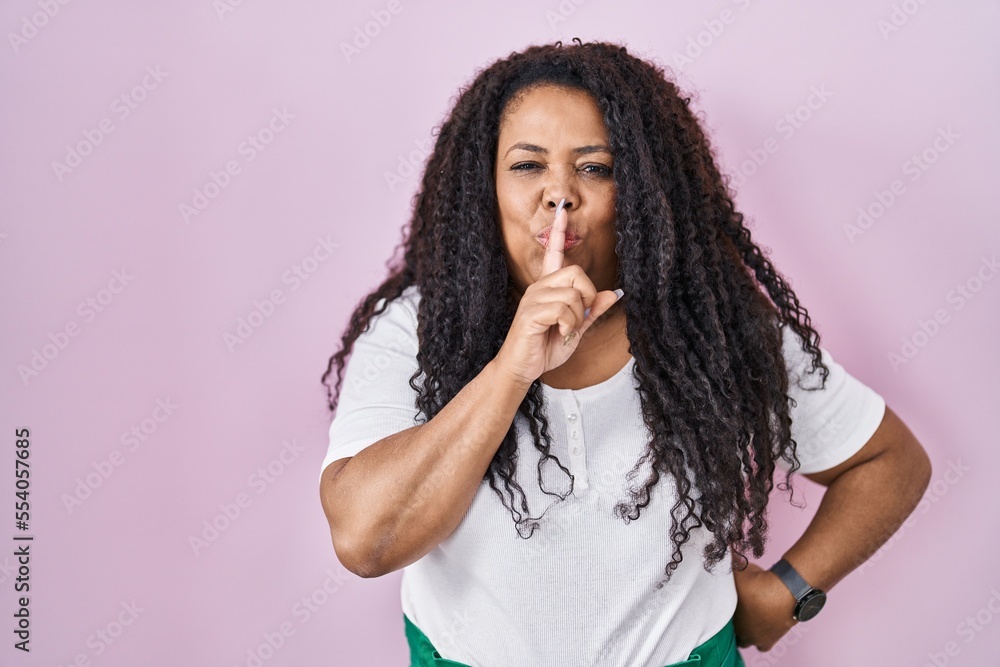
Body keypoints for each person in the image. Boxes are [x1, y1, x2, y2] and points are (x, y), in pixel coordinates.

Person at [318, 39, 932, 667]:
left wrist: (788, 593)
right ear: (484, 187)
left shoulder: (713, 329)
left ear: (642, 191)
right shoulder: (414, 329)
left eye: (597, 167)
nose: (559, 195)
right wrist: (513, 367)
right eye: (527, 165)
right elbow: (366, 541)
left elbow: (890, 461)